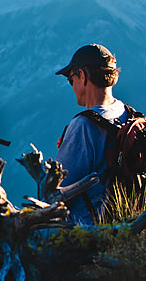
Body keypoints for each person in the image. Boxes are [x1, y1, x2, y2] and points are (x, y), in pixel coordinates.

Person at [54, 44, 127, 224]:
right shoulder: (127, 113)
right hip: (128, 221)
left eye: (71, 80)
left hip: (89, 232)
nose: (72, 86)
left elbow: (58, 189)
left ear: (83, 76)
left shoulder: (83, 125)